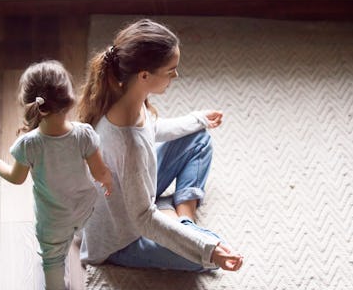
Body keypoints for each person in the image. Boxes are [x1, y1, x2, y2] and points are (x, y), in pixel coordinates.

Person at [78, 19, 243, 273]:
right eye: (170, 70)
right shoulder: (128, 147)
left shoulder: (126, 95)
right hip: (121, 239)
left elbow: (152, 129)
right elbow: (144, 219)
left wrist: (196, 119)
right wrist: (207, 248)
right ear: (144, 75)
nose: (175, 75)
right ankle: (184, 226)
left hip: (135, 191)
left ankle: (184, 218)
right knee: (207, 260)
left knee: (199, 137)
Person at [0, 60, 113, 290]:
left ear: (34, 104)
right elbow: (99, 172)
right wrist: (107, 180)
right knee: (76, 229)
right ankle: (80, 238)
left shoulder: (29, 144)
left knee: (52, 259)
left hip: (53, 219)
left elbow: (16, 178)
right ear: (69, 99)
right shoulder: (84, 134)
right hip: (84, 207)